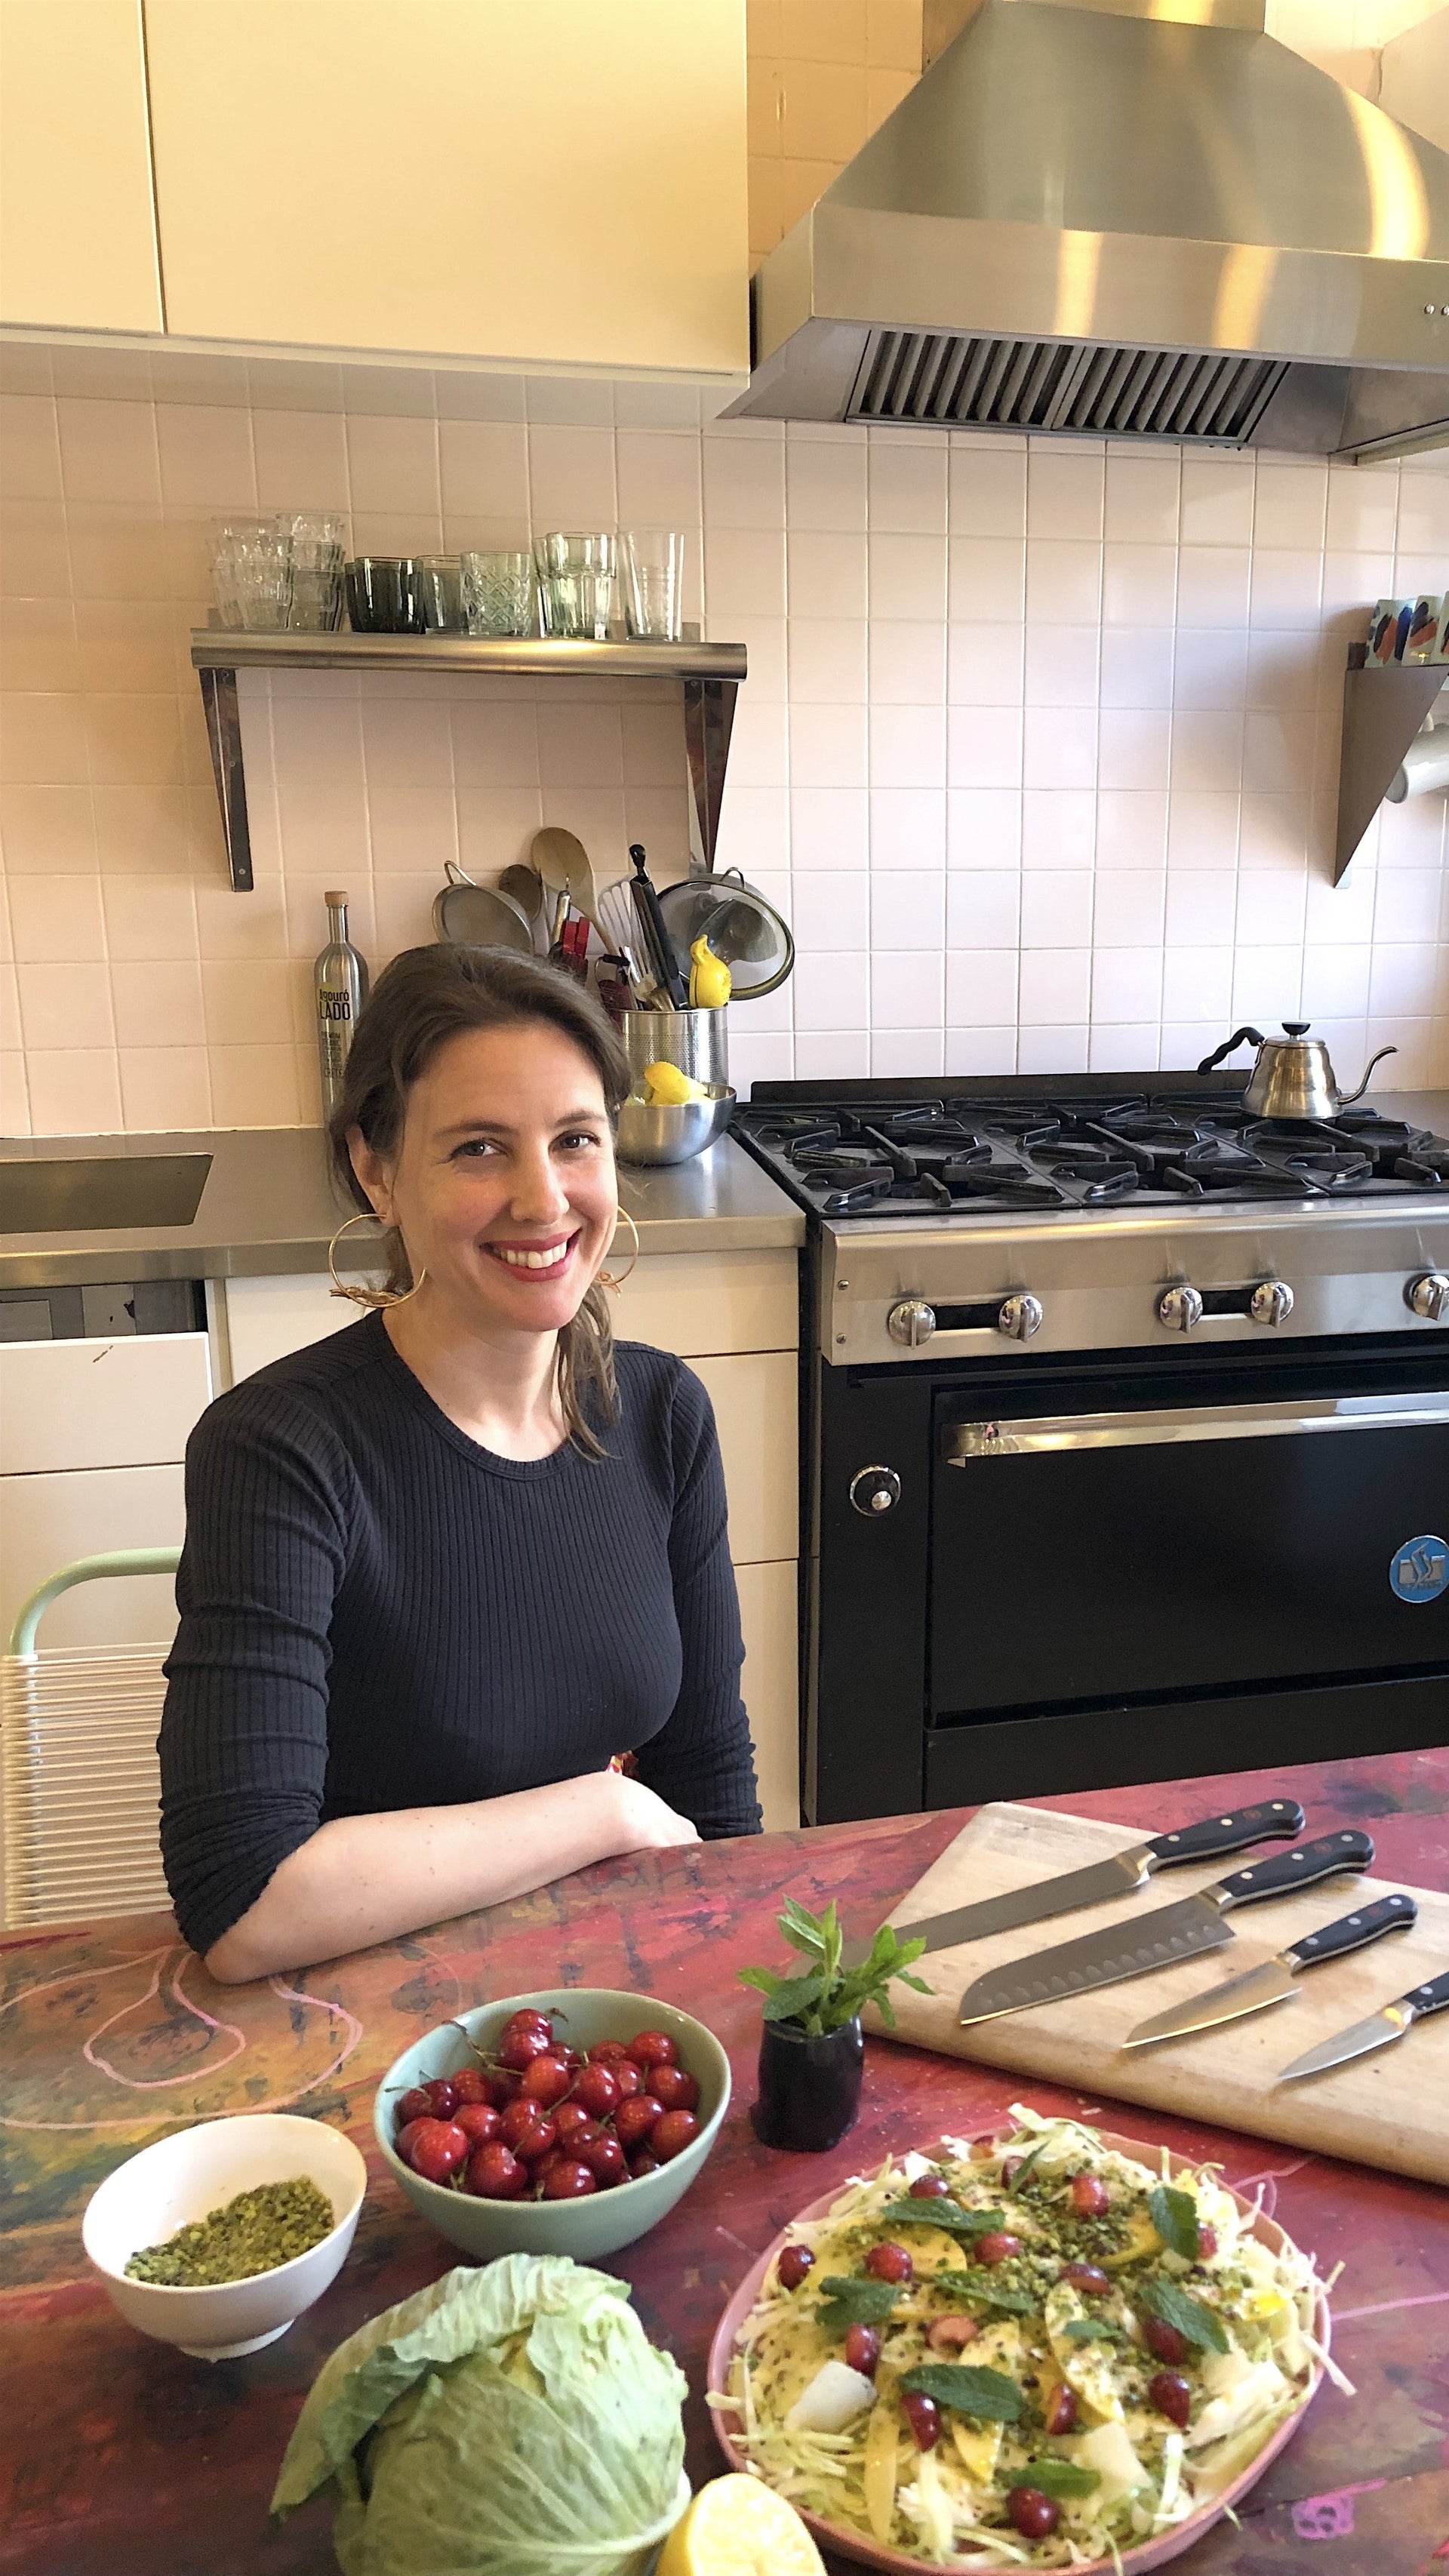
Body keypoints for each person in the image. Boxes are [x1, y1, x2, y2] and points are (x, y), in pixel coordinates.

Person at [159, 945, 761, 1984]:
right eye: (479, 1148)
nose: (543, 1198)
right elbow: (243, 1901)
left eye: (575, 1139)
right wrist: (602, 1806)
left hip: (604, 2007)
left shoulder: (661, 1414)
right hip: (366, 2011)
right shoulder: (280, 1449)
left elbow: (711, 1793)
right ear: (376, 1169)